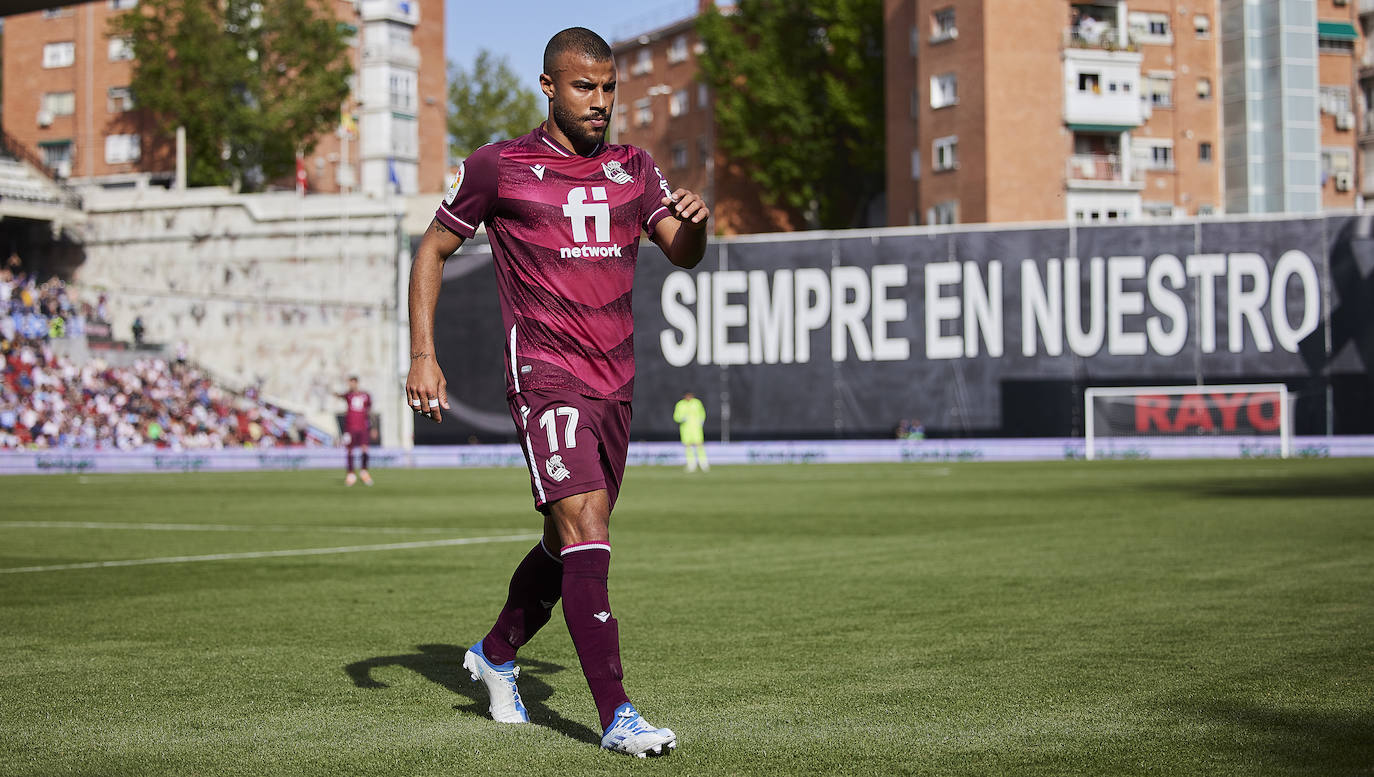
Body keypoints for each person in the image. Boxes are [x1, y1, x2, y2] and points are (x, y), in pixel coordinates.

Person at [405, 27, 709, 758]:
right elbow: (432, 249)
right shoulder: (500, 165)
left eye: (608, 88)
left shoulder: (635, 168)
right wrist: (423, 354)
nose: (600, 101)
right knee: (585, 527)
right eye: (584, 87)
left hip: (616, 382)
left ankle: (496, 652)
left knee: (565, 539)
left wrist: (697, 225)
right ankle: (618, 716)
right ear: (548, 87)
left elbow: (682, 252)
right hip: (544, 374)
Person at [339, 376, 373, 486]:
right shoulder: (348, 395)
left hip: (363, 427)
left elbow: (370, 411)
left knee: (364, 449)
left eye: (353, 383)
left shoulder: (365, 395)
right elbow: (339, 395)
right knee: (349, 450)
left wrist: (374, 427)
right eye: (350, 383)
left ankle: (364, 472)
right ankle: (351, 474)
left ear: (357, 383)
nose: (351, 385)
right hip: (350, 428)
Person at [673, 390, 708, 472]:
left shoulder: (697, 403)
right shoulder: (680, 404)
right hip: (686, 430)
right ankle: (691, 464)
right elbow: (676, 417)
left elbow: (702, 413)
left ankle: (704, 464)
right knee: (688, 447)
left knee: (699, 445)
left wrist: (701, 421)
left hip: (696, 429)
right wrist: (681, 419)